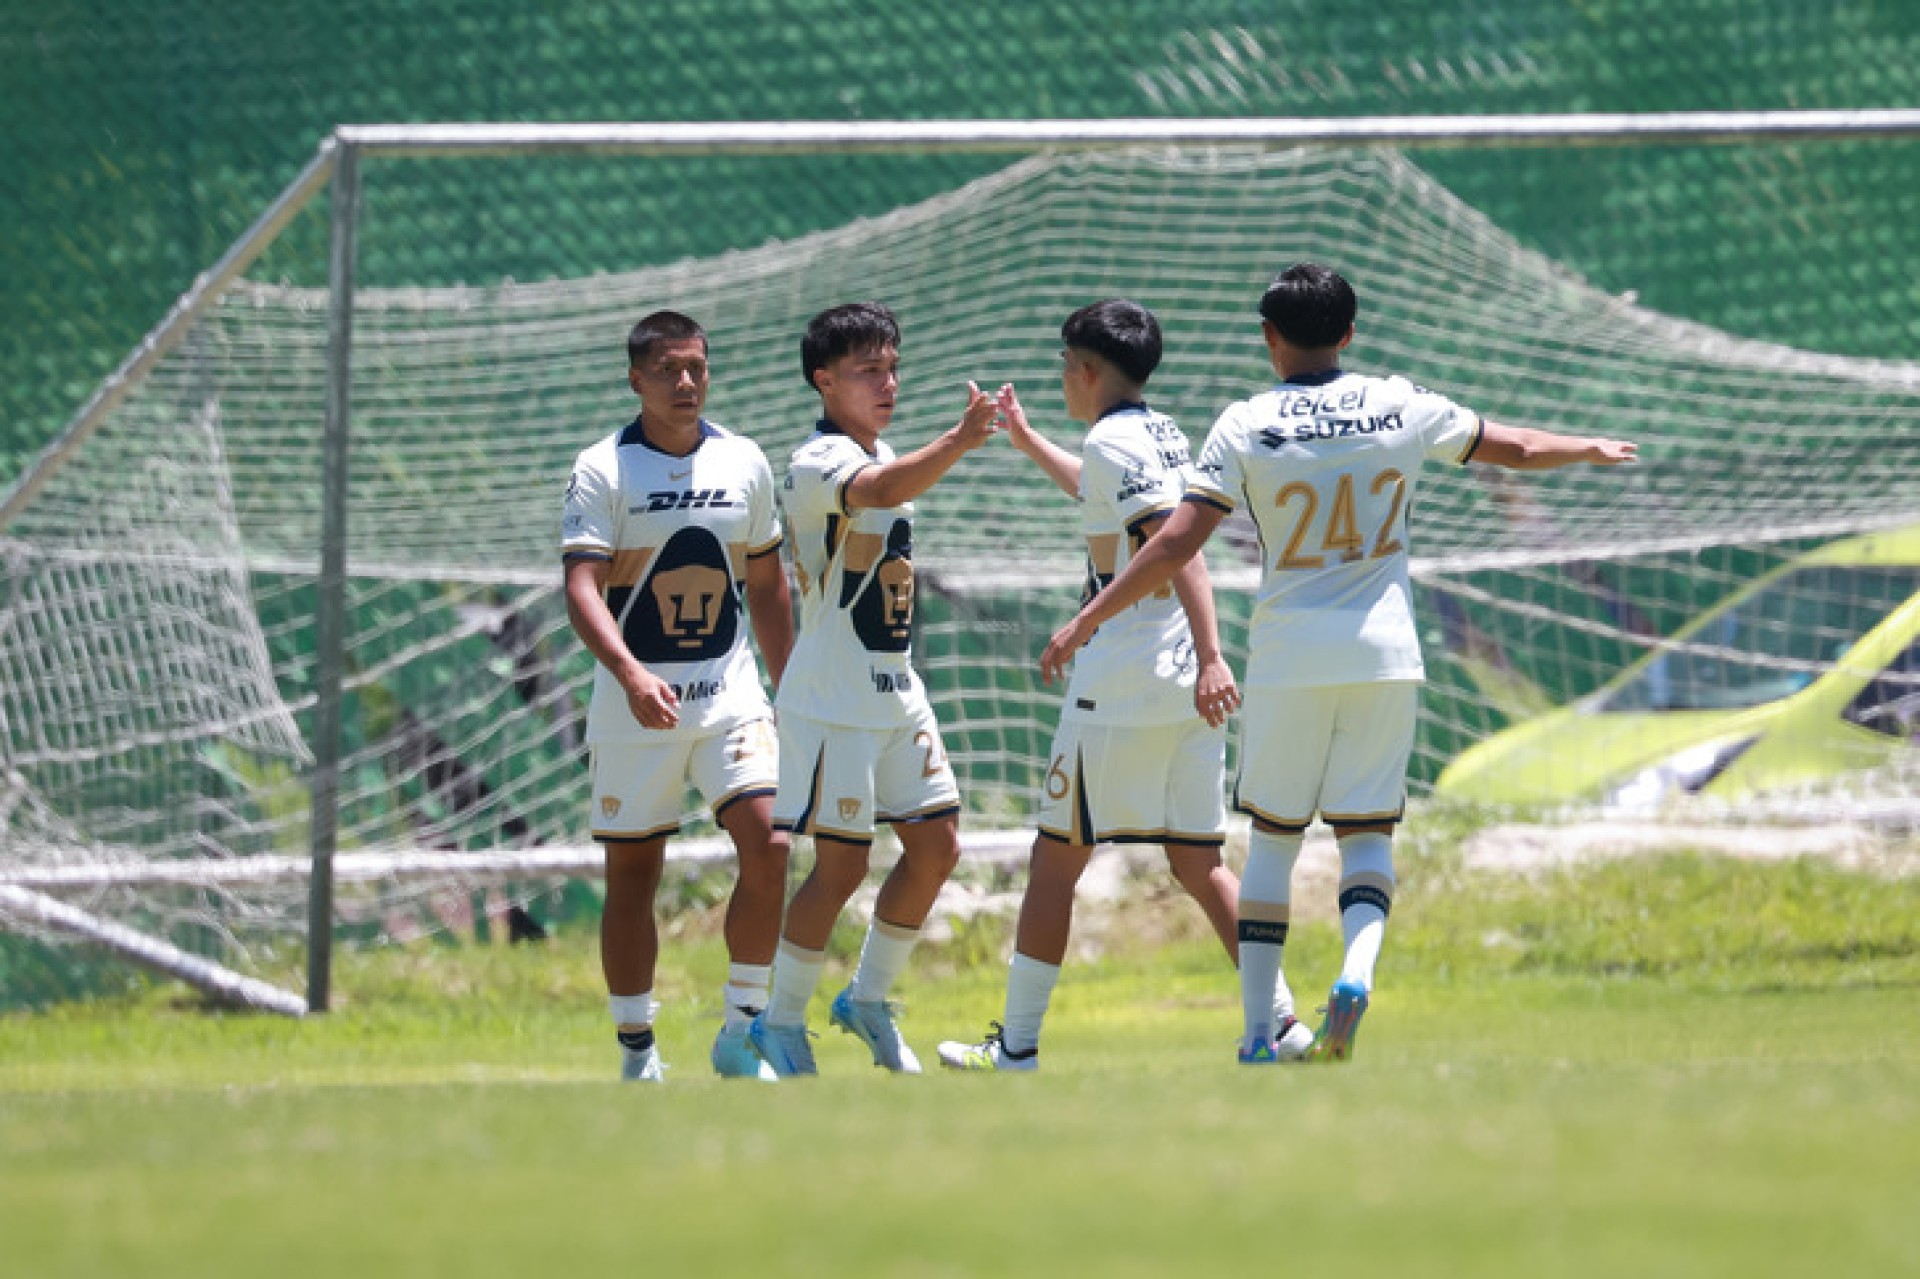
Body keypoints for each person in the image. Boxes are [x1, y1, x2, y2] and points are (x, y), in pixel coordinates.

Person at [1040, 264, 1637, 1065]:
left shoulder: (1246, 422)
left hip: (1290, 656)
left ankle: (1261, 1033)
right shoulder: (1399, 403)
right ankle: (1356, 971)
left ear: (1270, 338)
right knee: (1367, 834)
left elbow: (1177, 541)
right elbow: (1519, 446)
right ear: (1349, 333)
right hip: (1386, 653)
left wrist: (1089, 615)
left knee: (1274, 841)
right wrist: (1588, 447)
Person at [935, 298, 1312, 1072]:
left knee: (1055, 862)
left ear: (1084, 370)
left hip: (1122, 684)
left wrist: (1129, 632)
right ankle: (1284, 1025)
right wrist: (1030, 441)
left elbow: (1177, 547)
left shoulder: (1111, 439)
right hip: (1182, 690)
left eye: (1063, 366)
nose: (1061, 379)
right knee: (1199, 863)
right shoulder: (1158, 430)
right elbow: (1111, 498)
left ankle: (1016, 1048)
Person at [747, 301, 1001, 1078]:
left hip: (895, 689)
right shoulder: (817, 460)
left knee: (937, 844)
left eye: (893, 368)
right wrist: (958, 439)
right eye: (868, 370)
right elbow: (882, 487)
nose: (887, 383)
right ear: (823, 381)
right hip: (834, 698)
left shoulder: (881, 450)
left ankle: (866, 999)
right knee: (841, 866)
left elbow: (890, 477)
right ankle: (778, 1024)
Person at [561, 310, 795, 1083]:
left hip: (730, 697)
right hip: (636, 708)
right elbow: (581, 587)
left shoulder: (744, 460)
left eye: (696, 366)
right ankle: (638, 1049)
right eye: (667, 369)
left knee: (772, 841)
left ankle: (742, 1031)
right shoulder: (603, 468)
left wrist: (790, 688)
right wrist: (630, 672)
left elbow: (767, 584)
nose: (685, 381)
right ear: (636, 379)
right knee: (634, 877)